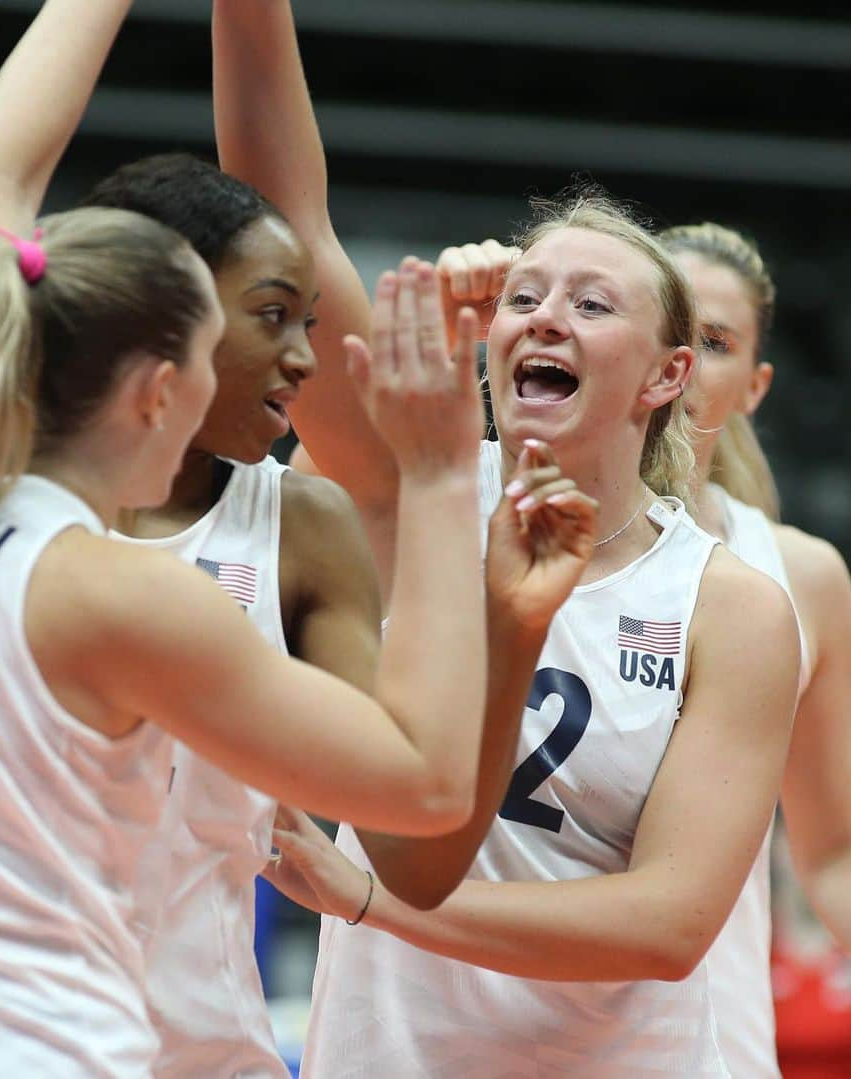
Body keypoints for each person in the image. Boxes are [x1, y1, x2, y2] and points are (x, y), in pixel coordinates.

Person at [0, 1, 577, 1073]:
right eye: (252, 326)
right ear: (158, 388)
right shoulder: (113, 592)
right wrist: (435, 472)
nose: (302, 358)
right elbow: (425, 784)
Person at [213, 3, 800, 1073]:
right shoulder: (417, 493)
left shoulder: (734, 601)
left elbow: (667, 926)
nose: (545, 317)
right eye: (524, 296)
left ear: (669, 375)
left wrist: (381, 899)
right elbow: (287, 225)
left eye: (590, 303)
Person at [79, 153, 596, 1079]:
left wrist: (514, 631)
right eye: (274, 315)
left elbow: (419, 846)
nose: (305, 359)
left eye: (311, 323)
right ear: (162, 311)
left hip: (204, 1057)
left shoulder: (301, 523)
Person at [659, 221, 851, 1077]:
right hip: (471, 1017)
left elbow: (834, 854)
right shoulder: (483, 511)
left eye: (717, 342)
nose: (684, 362)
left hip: (703, 1037)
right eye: (667, 325)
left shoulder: (800, 575)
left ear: (756, 385)